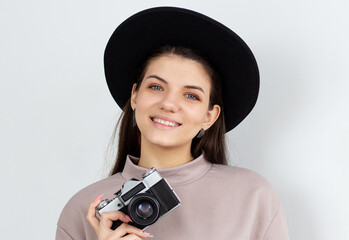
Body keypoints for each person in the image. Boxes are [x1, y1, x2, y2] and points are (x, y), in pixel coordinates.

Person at [56, 7, 289, 240]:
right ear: (135, 95)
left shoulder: (252, 196)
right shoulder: (85, 210)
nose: (169, 104)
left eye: (191, 95)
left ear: (210, 116)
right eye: (156, 87)